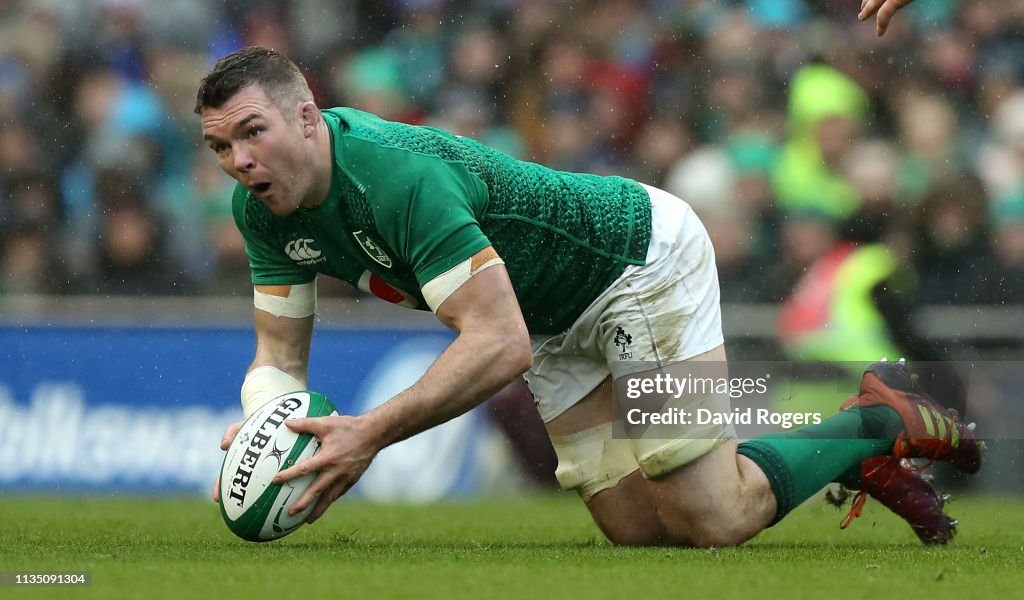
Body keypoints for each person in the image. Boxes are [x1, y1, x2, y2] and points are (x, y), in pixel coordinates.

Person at [200, 4, 977, 549]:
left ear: (306, 115)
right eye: (221, 148)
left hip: (640, 264)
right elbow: (277, 359)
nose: (239, 161)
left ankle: (871, 425)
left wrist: (369, 434)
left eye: (252, 133)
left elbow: (497, 345)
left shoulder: (397, 179)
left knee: (713, 520)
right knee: (638, 530)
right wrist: (271, 429)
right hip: (551, 317)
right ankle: (859, 452)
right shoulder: (261, 212)